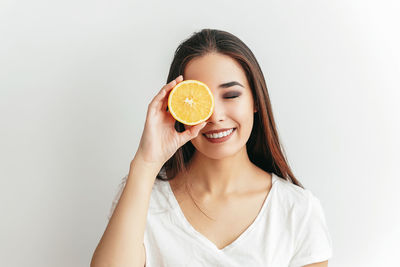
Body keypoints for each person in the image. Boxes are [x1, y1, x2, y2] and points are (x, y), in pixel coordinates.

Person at [91, 28, 333, 267]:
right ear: (176, 107)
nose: (215, 116)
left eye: (231, 95)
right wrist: (145, 163)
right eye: (199, 100)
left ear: (256, 101)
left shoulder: (297, 210)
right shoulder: (143, 197)